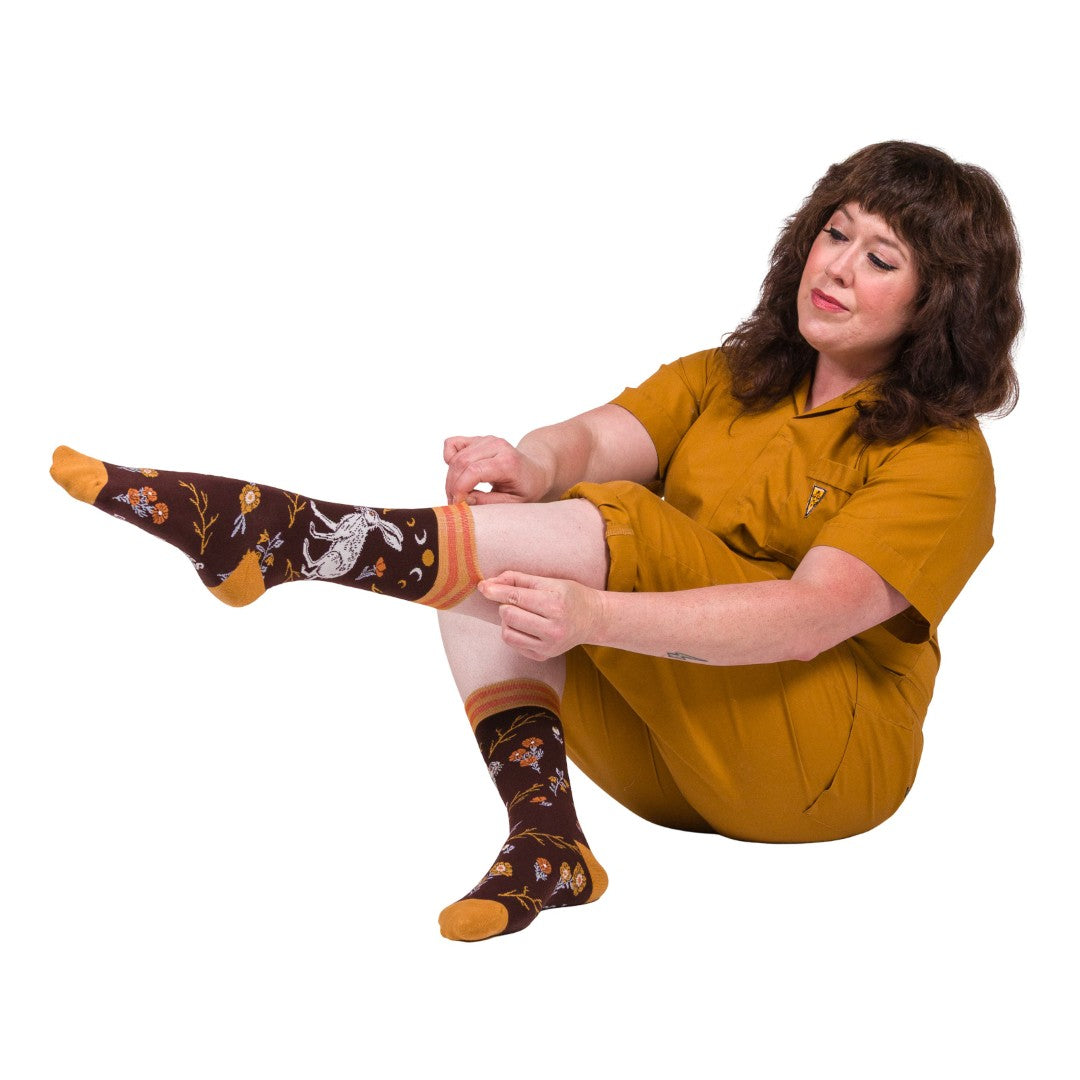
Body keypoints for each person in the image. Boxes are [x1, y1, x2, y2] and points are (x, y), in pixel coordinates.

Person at [50, 140, 1022, 942]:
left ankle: (288, 535)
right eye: (835, 233)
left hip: (818, 770)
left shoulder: (942, 460)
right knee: (495, 553)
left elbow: (810, 617)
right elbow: (594, 440)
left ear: (937, 303)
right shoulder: (736, 374)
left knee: (620, 524)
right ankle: (548, 842)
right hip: (668, 767)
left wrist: (596, 615)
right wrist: (530, 463)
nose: (837, 267)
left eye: (880, 259)